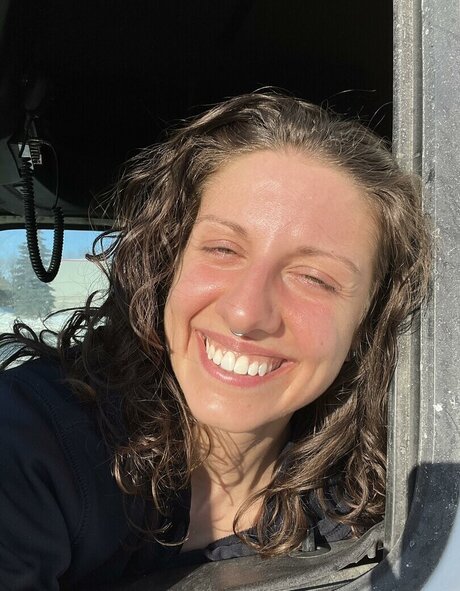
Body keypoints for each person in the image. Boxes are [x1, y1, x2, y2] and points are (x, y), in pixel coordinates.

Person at [0, 92, 431, 589]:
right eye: (223, 249)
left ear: (368, 323)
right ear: (169, 265)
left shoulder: (396, 509)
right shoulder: (31, 439)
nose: (246, 313)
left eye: (314, 277)